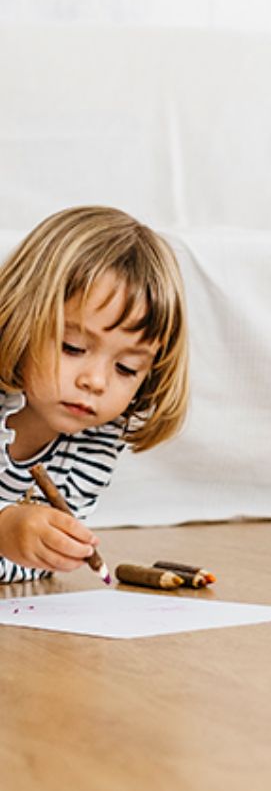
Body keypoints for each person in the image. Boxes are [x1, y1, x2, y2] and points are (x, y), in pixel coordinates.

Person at [0, 206, 189, 582]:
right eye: (72, 347)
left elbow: (30, 569)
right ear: (18, 318)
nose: (96, 382)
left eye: (126, 368)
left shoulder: (96, 438)